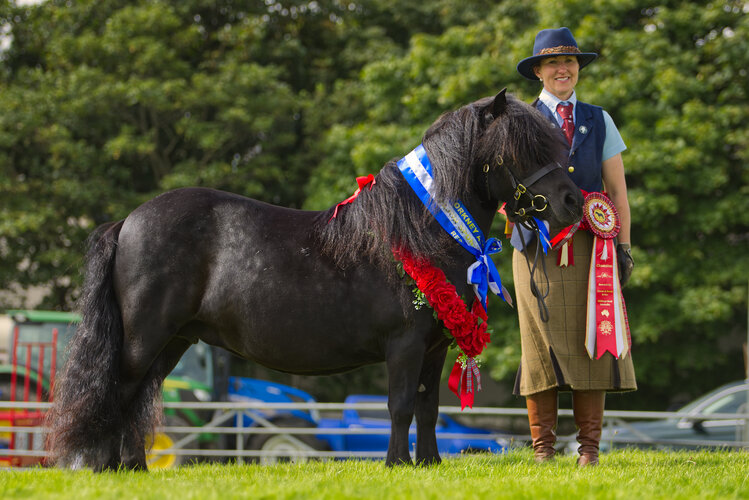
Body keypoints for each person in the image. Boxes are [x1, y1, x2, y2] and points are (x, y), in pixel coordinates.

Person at [511, 27, 636, 466]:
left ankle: (589, 451)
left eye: (569, 62)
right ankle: (542, 451)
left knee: (593, 341)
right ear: (539, 73)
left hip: (591, 250)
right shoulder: (518, 121)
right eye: (552, 63)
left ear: (578, 68)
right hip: (536, 250)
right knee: (539, 345)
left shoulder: (600, 120)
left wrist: (621, 247)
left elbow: (617, 193)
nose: (562, 69)